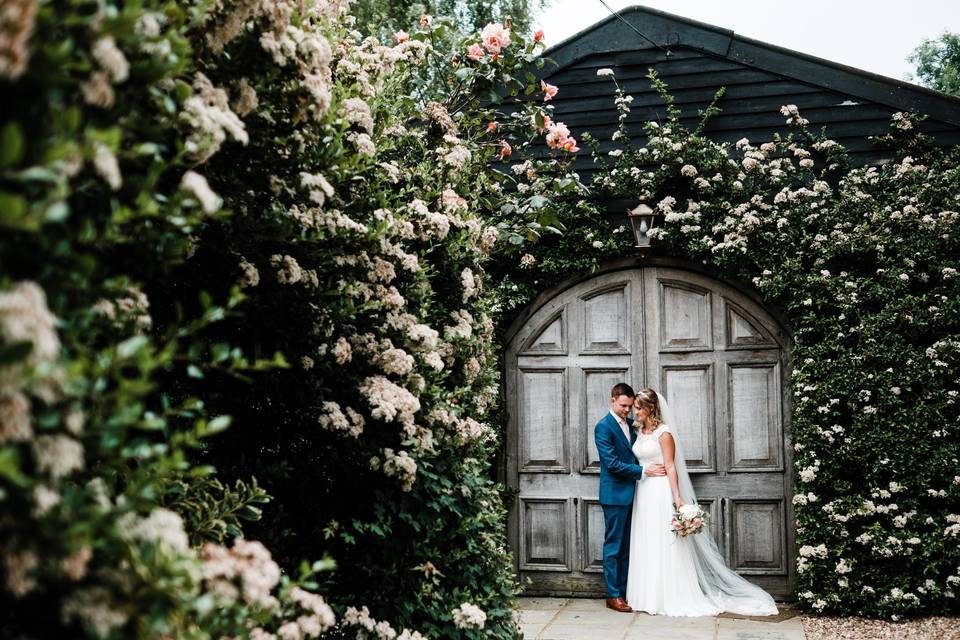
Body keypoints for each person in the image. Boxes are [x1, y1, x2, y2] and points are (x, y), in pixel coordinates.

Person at [625, 387, 778, 616]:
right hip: (643, 491)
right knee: (646, 538)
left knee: (663, 541)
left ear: (650, 408)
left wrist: (677, 499)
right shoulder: (639, 431)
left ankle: (666, 596)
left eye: (638, 408)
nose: (634, 412)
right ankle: (646, 595)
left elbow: (670, 466)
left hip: (659, 492)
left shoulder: (664, 434)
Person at [594, 383, 666, 613]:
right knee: (614, 546)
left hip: (636, 495)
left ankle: (626, 591)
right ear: (612, 400)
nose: (627, 410)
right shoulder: (603, 427)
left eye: (629, 406)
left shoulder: (631, 425)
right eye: (623, 406)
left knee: (628, 547)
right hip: (614, 495)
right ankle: (613, 595)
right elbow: (612, 464)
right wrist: (644, 471)